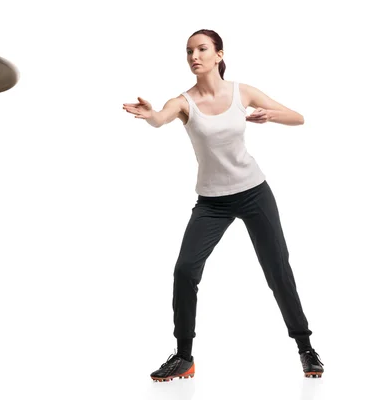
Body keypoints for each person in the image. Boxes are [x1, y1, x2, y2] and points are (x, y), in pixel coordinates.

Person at [122, 29, 324, 381]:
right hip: (211, 202)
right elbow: (160, 119)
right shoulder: (183, 102)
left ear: (219, 55)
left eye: (201, 49)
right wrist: (150, 114)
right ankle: (184, 356)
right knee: (185, 271)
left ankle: (305, 347)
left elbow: (298, 117)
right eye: (189, 52)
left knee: (277, 271)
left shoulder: (240, 92)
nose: (194, 56)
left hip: (253, 192)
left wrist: (269, 115)